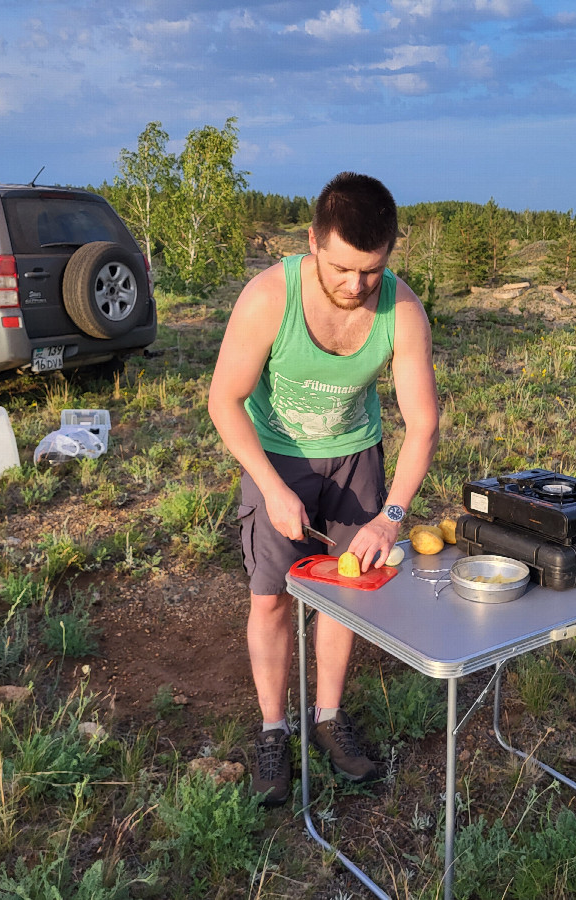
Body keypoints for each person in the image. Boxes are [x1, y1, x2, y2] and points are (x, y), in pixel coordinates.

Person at [208, 172, 440, 806]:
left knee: (345, 596)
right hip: (274, 458)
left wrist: (390, 517)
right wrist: (271, 487)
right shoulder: (267, 299)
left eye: (370, 269)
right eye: (340, 267)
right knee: (272, 600)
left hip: (355, 459)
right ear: (312, 241)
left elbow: (422, 425)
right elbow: (224, 401)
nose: (355, 285)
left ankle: (329, 719)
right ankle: (273, 730)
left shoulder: (402, 309)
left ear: (391, 250)